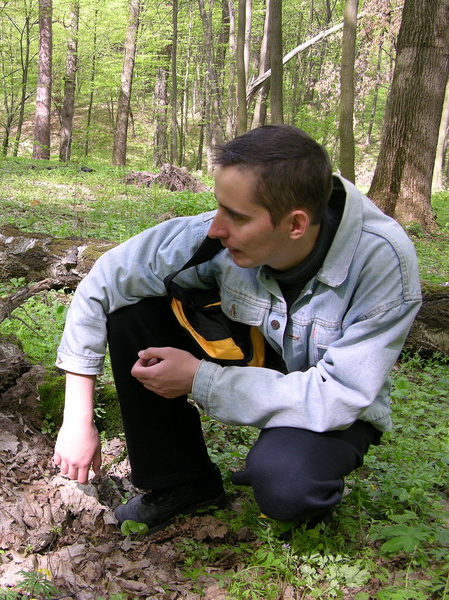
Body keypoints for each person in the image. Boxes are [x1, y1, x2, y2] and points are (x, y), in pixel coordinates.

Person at [52, 125, 422, 533]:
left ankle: (300, 475)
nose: (216, 228)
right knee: (132, 311)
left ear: (296, 224)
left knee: (286, 485)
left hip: (332, 400)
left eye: (237, 216)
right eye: (219, 207)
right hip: (258, 353)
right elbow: (104, 281)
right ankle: (182, 483)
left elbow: (341, 394)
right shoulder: (215, 236)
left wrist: (201, 379)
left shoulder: (381, 261)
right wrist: (78, 419)